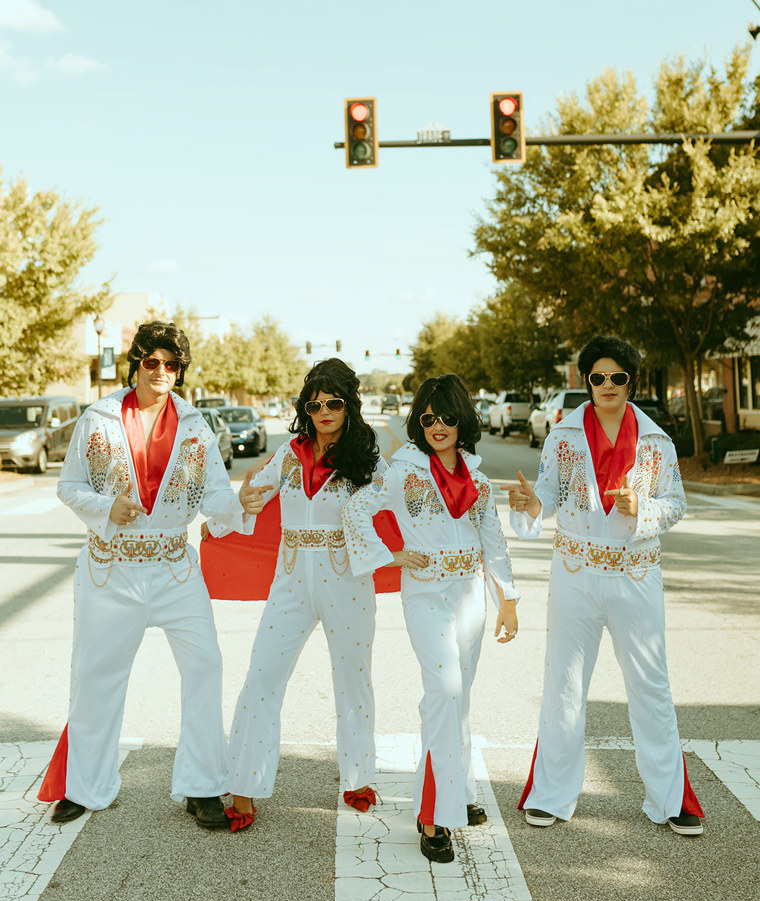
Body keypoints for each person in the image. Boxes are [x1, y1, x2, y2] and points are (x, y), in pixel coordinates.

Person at [38, 320, 265, 830]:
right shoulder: (95, 420)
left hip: (173, 567)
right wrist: (104, 507)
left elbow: (215, 500)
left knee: (205, 665)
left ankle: (202, 785)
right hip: (109, 570)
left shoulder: (196, 427)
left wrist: (240, 505)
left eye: (173, 365)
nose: (163, 372)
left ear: (181, 370)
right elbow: (68, 486)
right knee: (96, 676)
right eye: (153, 362)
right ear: (136, 363)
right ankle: (85, 786)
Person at [506, 335, 704, 836]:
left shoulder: (657, 440)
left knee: (650, 685)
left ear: (630, 381)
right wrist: (532, 504)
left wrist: (646, 510)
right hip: (576, 572)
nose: (608, 386)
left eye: (618, 377)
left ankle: (669, 799)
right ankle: (551, 794)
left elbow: (676, 504)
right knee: (564, 683)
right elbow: (548, 492)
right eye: (598, 377)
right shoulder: (564, 437)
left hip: (636, 573)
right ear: (585, 381)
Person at [201, 358, 393, 831]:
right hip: (289, 580)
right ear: (305, 408)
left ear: (349, 404)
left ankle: (358, 778)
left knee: (353, 678)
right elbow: (251, 497)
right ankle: (243, 785)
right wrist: (217, 521)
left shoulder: (368, 458)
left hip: (346, 579)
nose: (324, 411)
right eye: (315, 404)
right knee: (262, 674)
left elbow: (400, 504)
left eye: (334, 402)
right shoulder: (290, 453)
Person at [341, 374, 519, 863]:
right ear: (419, 424)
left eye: (447, 416)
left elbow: (494, 540)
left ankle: (458, 793)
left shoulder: (478, 479)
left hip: (470, 597)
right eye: (428, 418)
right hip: (425, 595)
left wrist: (509, 598)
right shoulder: (402, 470)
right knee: (444, 690)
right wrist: (389, 555)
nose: (438, 426)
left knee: (460, 697)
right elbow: (356, 511)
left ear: (464, 419)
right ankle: (432, 813)